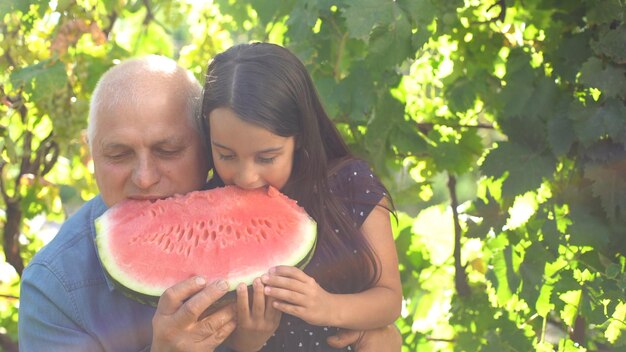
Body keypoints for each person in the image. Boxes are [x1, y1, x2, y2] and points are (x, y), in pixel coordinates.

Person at [17, 55, 402, 351]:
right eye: (118, 154)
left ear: (207, 146)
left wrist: (370, 324)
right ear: (91, 154)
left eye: (168, 150)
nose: (145, 177)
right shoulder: (54, 289)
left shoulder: (265, 193)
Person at [201, 42, 403, 351]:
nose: (245, 177)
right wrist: (247, 341)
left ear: (300, 138)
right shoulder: (204, 204)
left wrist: (328, 307)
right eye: (226, 155)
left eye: (267, 158)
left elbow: (389, 299)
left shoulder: (351, 185)